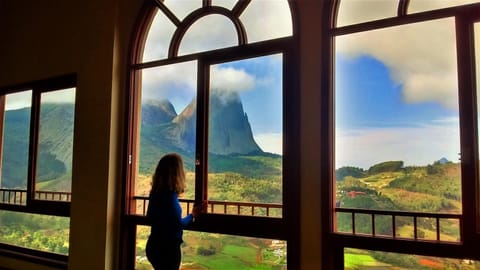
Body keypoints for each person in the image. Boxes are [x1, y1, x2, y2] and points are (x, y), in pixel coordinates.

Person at [146, 153, 204, 270]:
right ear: (176, 174)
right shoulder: (170, 197)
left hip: (153, 246)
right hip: (168, 250)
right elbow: (178, 224)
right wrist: (192, 215)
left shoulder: (155, 194)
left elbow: (150, 217)